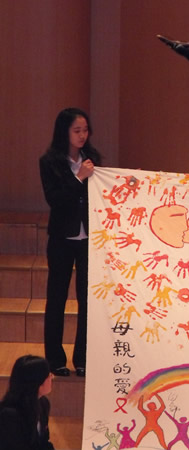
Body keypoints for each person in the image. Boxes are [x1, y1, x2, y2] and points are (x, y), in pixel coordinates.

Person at [39, 108, 101, 377]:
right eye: (77, 130)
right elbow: (55, 199)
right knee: (57, 298)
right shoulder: (49, 161)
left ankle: (83, 358)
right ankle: (55, 360)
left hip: (89, 240)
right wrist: (78, 178)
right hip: (61, 239)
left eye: (85, 130)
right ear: (64, 132)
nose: (82, 135)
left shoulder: (92, 159)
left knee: (87, 300)